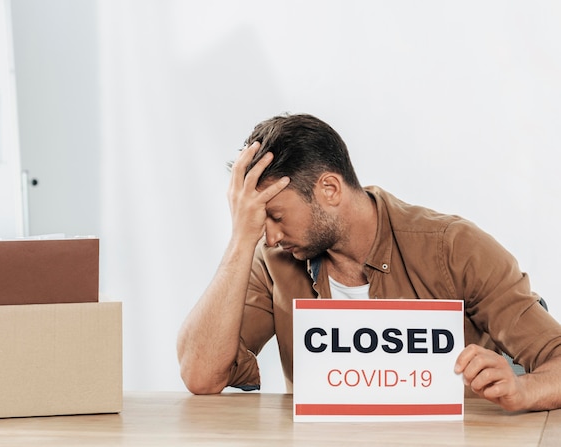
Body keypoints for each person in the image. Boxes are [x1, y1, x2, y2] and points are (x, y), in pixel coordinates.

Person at [176, 113, 561, 412]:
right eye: (259, 221)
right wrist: (241, 239)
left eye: (275, 216)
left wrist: (522, 389)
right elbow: (201, 375)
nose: (271, 236)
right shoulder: (273, 258)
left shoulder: (453, 247)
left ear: (329, 189)